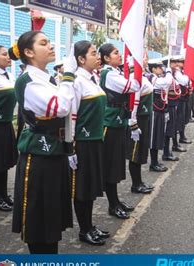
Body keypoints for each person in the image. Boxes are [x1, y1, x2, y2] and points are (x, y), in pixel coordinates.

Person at [11, 31, 74, 254]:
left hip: (55, 152)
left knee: (52, 217)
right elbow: (61, 107)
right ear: (29, 52)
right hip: (39, 157)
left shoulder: (45, 78)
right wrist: (68, 76)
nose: (51, 46)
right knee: (39, 219)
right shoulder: (28, 82)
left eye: (50, 42)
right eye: (43, 43)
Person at [69, 40, 110, 245]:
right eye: (94, 53)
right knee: (82, 188)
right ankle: (84, 230)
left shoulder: (93, 78)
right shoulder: (76, 81)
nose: (98, 57)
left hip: (95, 141)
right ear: (81, 59)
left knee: (91, 187)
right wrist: (71, 146)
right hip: (83, 143)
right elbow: (71, 116)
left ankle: (90, 226)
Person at [99, 43, 140, 220]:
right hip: (110, 123)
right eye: (116, 53)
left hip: (117, 121)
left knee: (116, 164)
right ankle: (112, 204)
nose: (119, 55)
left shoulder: (115, 73)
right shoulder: (108, 74)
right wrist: (136, 69)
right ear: (106, 58)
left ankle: (115, 200)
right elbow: (133, 87)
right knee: (111, 166)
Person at [0, 45, 18, 212]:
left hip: (6, 125)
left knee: (4, 162)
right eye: (4, 54)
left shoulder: (9, 76)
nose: (8, 57)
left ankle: (4, 195)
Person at [125, 54, 155, 195]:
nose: (146, 59)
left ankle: (139, 182)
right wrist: (133, 123)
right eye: (143, 57)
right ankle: (135, 184)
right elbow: (133, 102)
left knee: (141, 151)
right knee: (135, 153)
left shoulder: (142, 77)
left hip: (144, 117)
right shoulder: (134, 78)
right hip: (137, 118)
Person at [148, 58, 173, 172]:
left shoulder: (157, 78)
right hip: (154, 110)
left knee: (158, 136)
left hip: (160, 109)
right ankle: (153, 163)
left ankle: (155, 161)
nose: (161, 69)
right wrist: (168, 71)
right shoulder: (151, 77)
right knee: (154, 137)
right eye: (159, 67)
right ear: (153, 68)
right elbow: (167, 82)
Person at [163, 57, 186, 162]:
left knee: (171, 129)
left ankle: (168, 151)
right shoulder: (165, 75)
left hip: (173, 104)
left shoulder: (173, 74)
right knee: (168, 130)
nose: (177, 64)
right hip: (167, 105)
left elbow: (183, 82)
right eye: (174, 62)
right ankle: (166, 153)